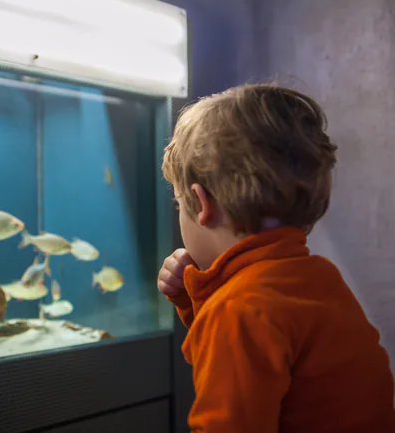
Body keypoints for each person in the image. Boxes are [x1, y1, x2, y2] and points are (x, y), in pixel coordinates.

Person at [157, 83, 395, 432]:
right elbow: (252, 359)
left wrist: (215, 303)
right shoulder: (317, 277)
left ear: (202, 204)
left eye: (179, 203)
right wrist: (192, 295)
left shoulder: (238, 310)